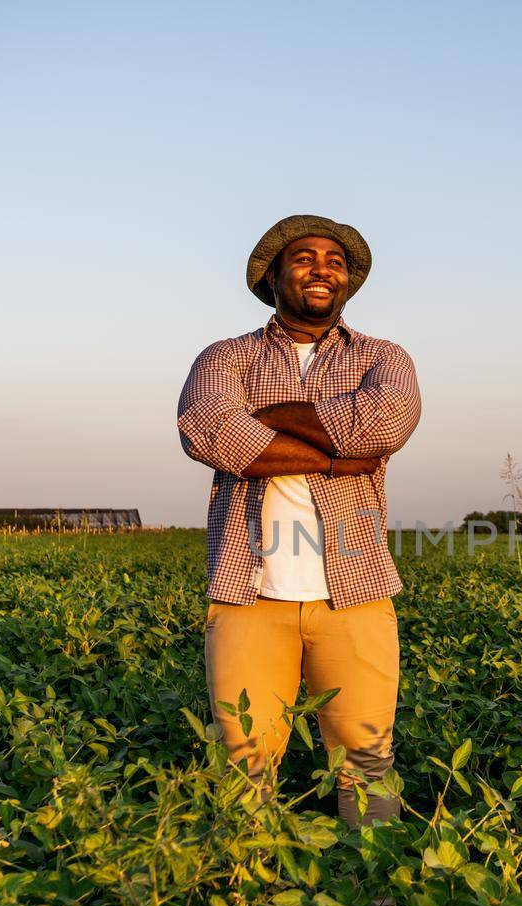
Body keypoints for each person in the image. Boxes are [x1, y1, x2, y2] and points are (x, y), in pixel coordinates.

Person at [176, 214, 421, 828]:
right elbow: (207, 431)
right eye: (304, 257)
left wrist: (267, 418)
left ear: (347, 281)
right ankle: (248, 898)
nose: (322, 268)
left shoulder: (382, 358)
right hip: (248, 593)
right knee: (245, 762)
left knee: (367, 760)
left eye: (334, 260)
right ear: (274, 275)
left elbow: (387, 424)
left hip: (356, 591)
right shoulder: (224, 357)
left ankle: (377, 900)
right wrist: (344, 451)